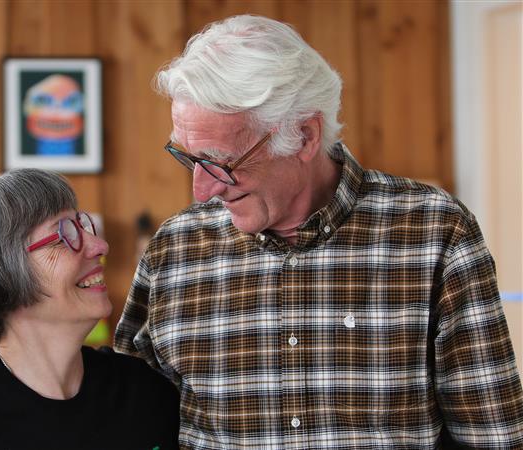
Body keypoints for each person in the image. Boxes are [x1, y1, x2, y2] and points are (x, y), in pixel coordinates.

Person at [114, 14, 523, 449]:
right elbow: (125, 425)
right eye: (190, 158)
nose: (202, 190)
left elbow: (493, 437)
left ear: (305, 136)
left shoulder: (434, 231)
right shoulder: (175, 250)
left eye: (222, 163)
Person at [0, 169, 179, 450]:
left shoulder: (143, 393)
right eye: (64, 235)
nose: (100, 246)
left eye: (82, 226)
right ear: (0, 273)